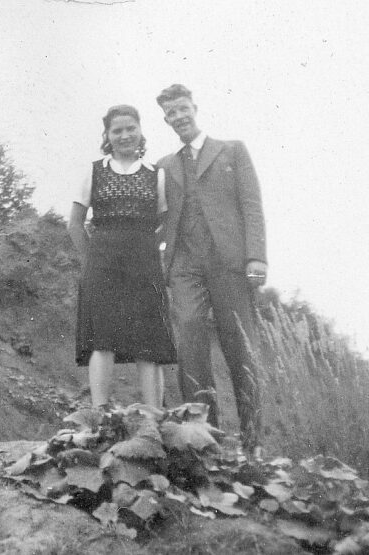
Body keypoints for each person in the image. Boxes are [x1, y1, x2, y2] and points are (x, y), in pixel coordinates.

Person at [156, 84, 267, 453]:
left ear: (195, 108)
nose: (179, 117)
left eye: (183, 109)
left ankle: (252, 442)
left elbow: (251, 205)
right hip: (184, 264)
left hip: (228, 262)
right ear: (166, 119)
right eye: (171, 113)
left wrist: (257, 256)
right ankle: (206, 438)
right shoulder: (164, 166)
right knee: (189, 339)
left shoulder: (231, 150)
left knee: (239, 344)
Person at [68, 105, 176, 410]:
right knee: (102, 339)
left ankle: (154, 413)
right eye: (117, 130)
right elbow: (75, 224)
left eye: (131, 129)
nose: (125, 135)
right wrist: (92, 260)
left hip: (144, 263)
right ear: (107, 135)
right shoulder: (94, 170)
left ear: (140, 131)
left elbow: (166, 223)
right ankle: (100, 413)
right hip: (102, 263)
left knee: (149, 340)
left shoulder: (157, 174)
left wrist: (149, 248)